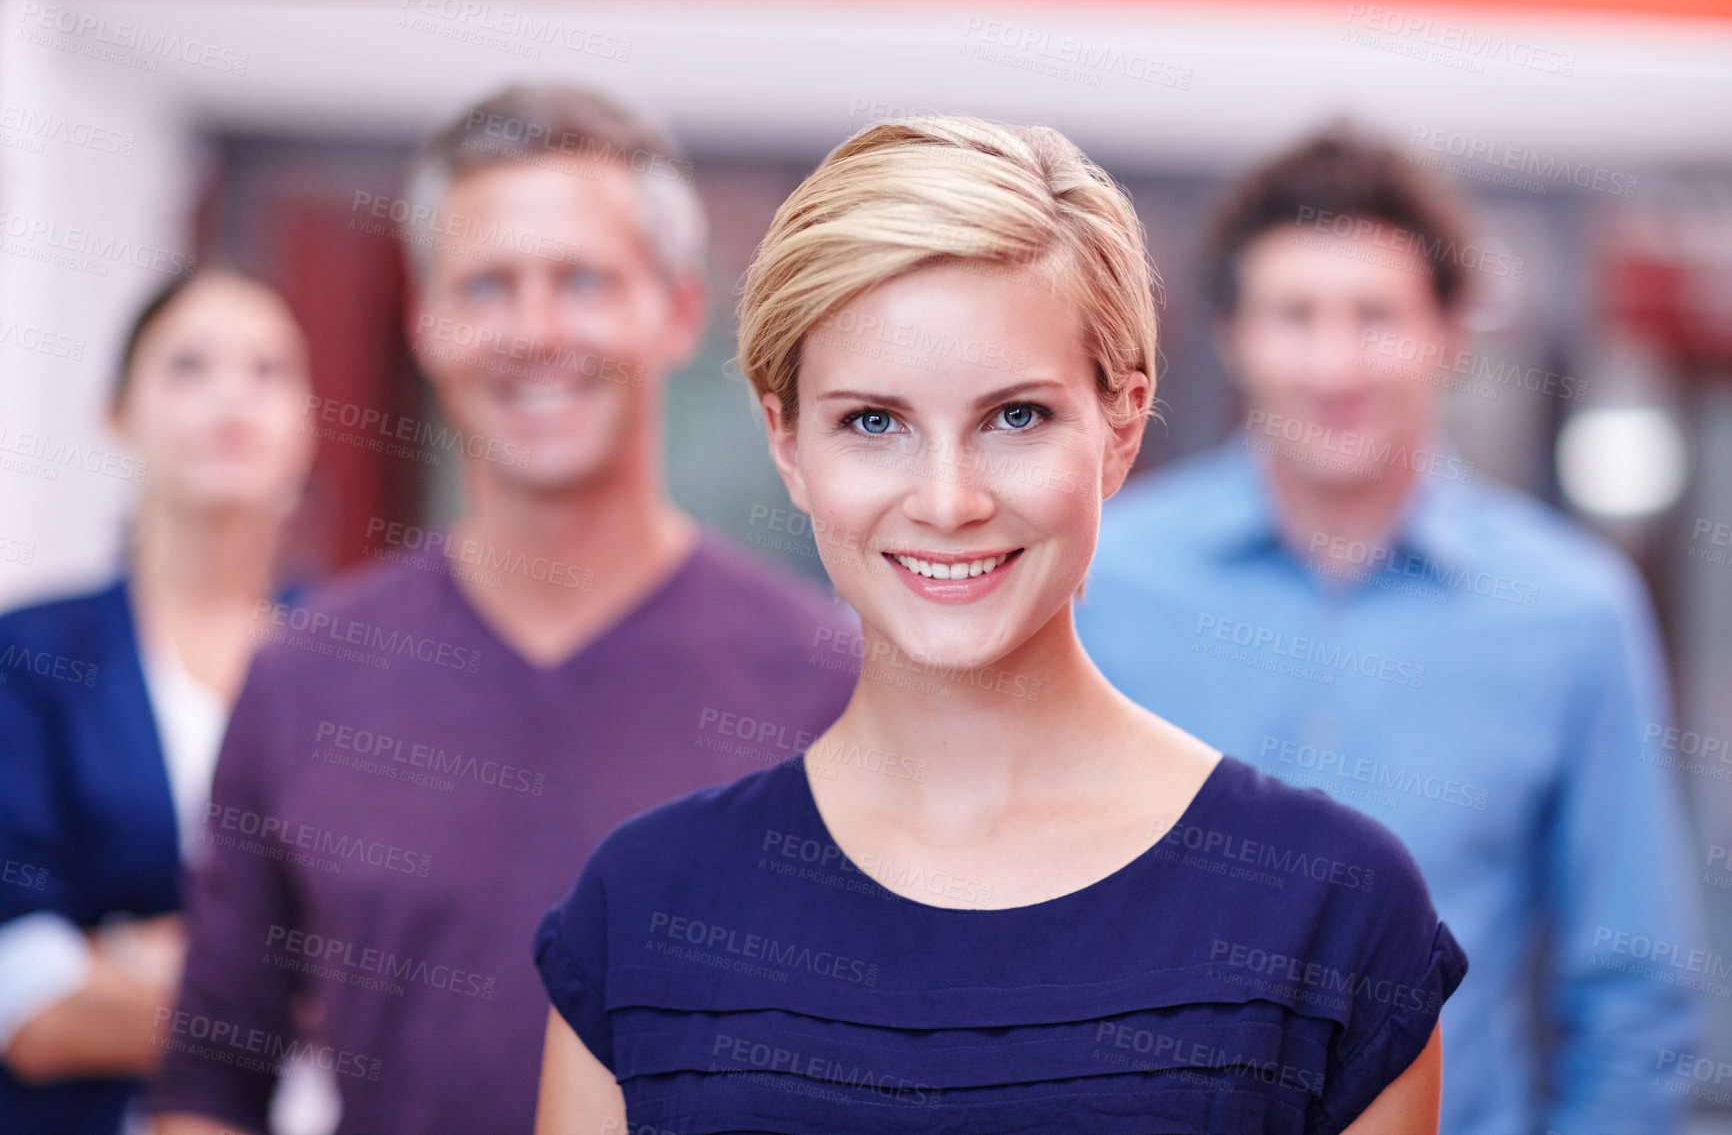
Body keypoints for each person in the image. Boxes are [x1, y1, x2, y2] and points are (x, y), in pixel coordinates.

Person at [533, 116, 1467, 1135]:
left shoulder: (1329, 915)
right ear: (786, 443)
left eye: (1015, 415)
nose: (947, 499)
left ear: (1119, 426)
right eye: (872, 421)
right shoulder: (643, 910)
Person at [145, 85, 857, 1135]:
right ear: (424, 317)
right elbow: (210, 1078)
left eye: (580, 279)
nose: (535, 330)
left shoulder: (822, 682)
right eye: (488, 284)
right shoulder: (305, 676)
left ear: (675, 307)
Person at [1074, 127, 1704, 1135]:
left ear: (1450, 332)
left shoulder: (1572, 611)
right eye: (1295, 315)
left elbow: (1632, 988)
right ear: (1231, 335)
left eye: (1375, 315)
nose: (1335, 362)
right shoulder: (1098, 577)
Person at [0, 270, 318, 1134]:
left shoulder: (360, 661)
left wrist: (127, 954)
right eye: (188, 366)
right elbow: (28, 1006)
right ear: (116, 411)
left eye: (267, 370)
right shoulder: (28, 659)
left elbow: (395, 973)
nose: (230, 397)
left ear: (310, 426)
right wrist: (273, 984)